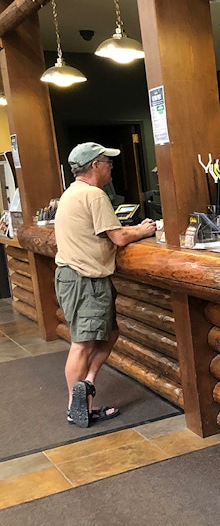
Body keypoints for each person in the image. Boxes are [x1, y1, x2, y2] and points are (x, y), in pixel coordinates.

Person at [55, 142, 157, 427]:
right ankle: (77, 408)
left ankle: (85, 385)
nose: (111, 166)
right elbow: (119, 238)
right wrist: (143, 229)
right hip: (84, 279)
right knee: (82, 345)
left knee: (109, 334)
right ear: (95, 166)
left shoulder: (71, 193)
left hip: (80, 277)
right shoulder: (93, 195)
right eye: (107, 162)